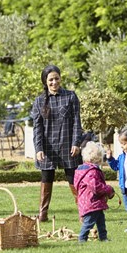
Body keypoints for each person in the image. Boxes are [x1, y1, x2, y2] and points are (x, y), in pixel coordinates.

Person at [31, 65, 83, 221]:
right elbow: (37, 128)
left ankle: (83, 212)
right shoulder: (39, 101)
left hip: (68, 145)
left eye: (56, 78)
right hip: (48, 147)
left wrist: (76, 143)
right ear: (45, 82)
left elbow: (76, 122)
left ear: (60, 78)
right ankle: (43, 214)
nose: (54, 82)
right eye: (51, 80)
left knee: (73, 180)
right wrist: (38, 148)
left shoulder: (70, 96)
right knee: (46, 179)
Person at [74, 142, 115, 242]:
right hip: (92, 202)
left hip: (88, 201)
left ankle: (103, 237)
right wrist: (108, 189)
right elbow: (96, 187)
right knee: (89, 222)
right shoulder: (92, 171)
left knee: (101, 220)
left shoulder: (81, 170)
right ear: (98, 159)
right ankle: (82, 238)